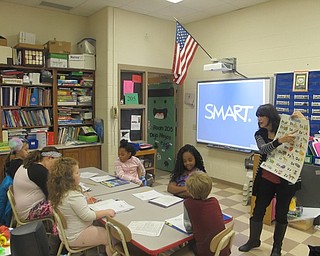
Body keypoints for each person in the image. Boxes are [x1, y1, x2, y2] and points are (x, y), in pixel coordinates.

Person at [239, 104, 306, 256]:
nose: (259, 119)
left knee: (281, 215)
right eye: (257, 116)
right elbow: (263, 149)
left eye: (261, 116)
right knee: (258, 211)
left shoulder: (284, 128)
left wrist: (301, 120)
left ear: (270, 116)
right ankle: (253, 240)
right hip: (266, 178)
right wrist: (279, 141)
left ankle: (277, 248)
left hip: (286, 180)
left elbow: (302, 136)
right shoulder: (260, 133)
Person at [47, 157, 115, 256]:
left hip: (66, 233)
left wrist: (84, 202)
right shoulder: (73, 195)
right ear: (69, 178)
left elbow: (72, 207)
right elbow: (88, 216)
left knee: (101, 226)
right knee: (110, 237)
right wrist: (106, 212)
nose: (80, 175)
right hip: (76, 235)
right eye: (77, 173)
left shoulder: (59, 191)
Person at [182, 171, 230, 256]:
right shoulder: (214, 201)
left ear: (189, 190)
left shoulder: (188, 203)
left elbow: (188, 228)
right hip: (223, 248)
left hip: (205, 252)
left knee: (187, 244)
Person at [13, 146, 61, 221]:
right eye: (56, 163)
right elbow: (52, 194)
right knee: (65, 204)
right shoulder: (39, 170)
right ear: (49, 158)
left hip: (23, 209)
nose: (55, 167)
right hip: (30, 211)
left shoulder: (31, 165)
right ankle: (60, 231)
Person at [0, 137, 29, 225]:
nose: (28, 152)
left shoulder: (11, 164)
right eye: (26, 150)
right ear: (18, 151)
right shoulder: (20, 166)